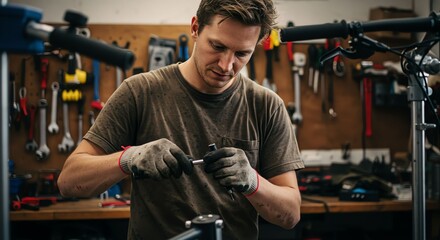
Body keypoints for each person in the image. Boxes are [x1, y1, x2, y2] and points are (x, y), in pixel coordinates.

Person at [57, 0, 305, 239]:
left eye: (242, 53)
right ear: (195, 27)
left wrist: (253, 182)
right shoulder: (140, 92)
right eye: (218, 46)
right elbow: (69, 182)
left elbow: (290, 214)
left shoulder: (266, 106)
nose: (226, 65)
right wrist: (128, 158)